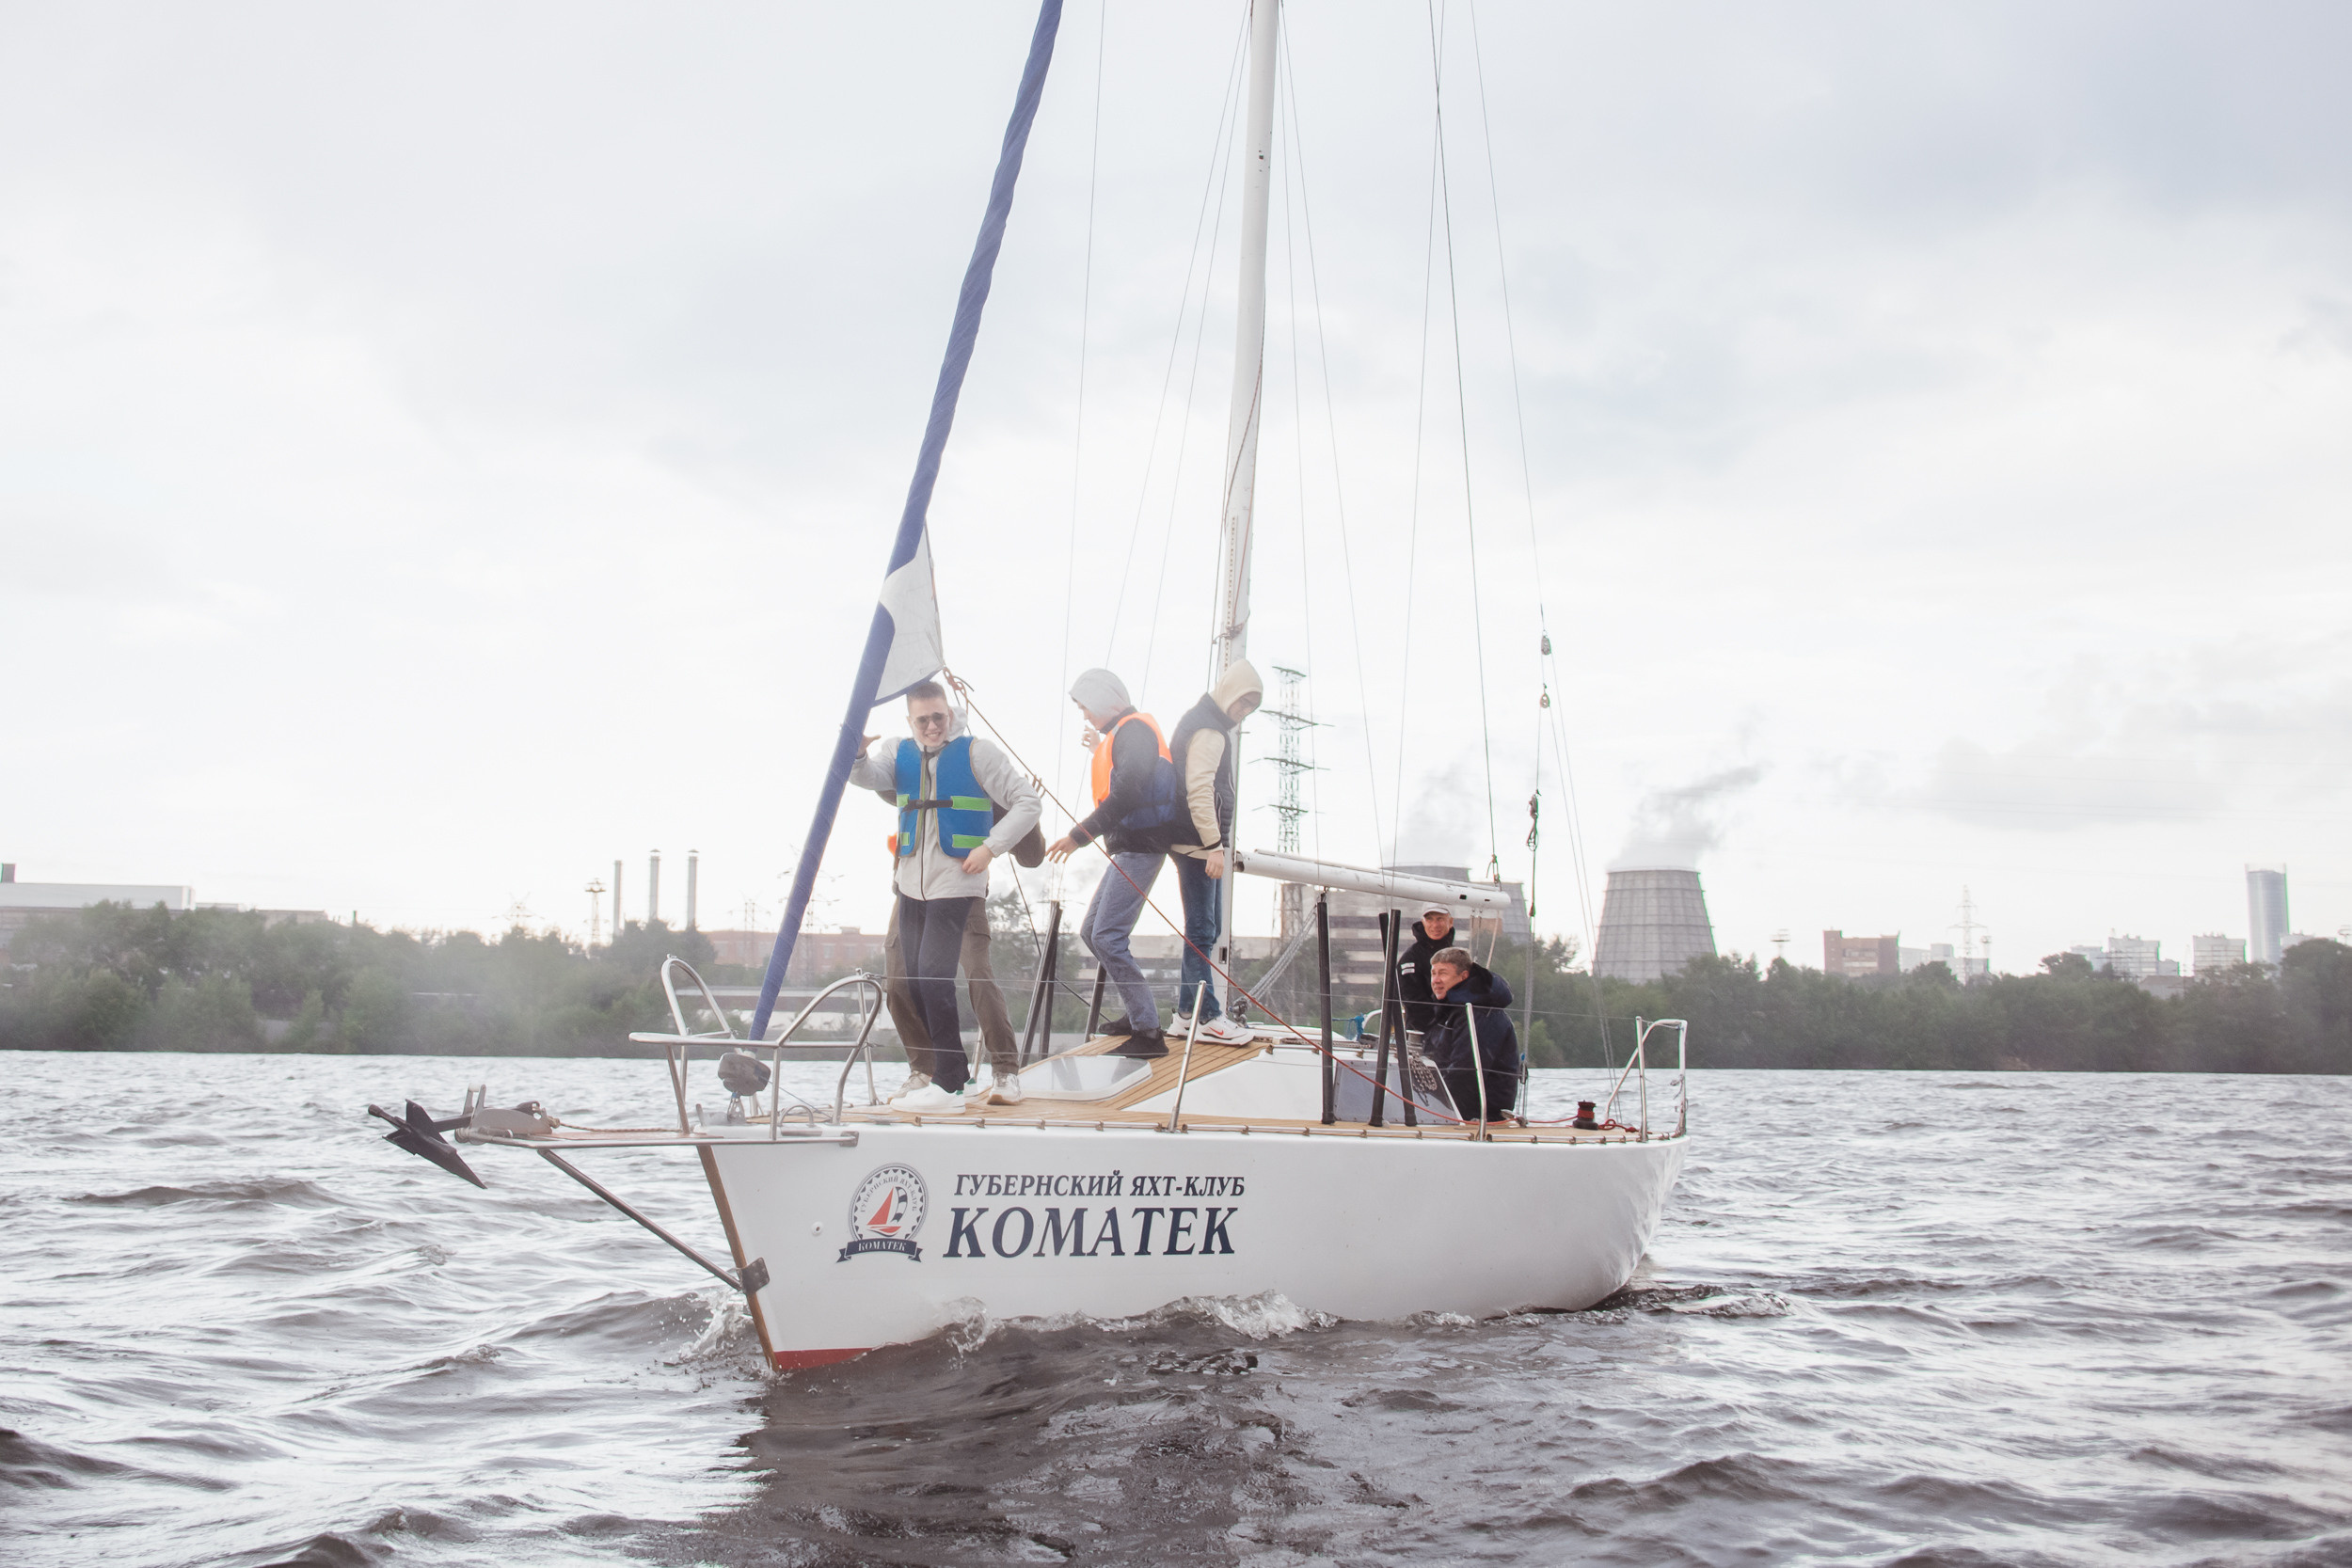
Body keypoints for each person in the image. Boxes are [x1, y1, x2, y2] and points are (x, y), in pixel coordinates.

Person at [850, 679, 1041, 1114]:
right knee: (913, 978)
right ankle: (952, 1075)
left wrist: (989, 847)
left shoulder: (978, 753)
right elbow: (863, 777)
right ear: (910, 721)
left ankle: (956, 1083)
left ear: (949, 714)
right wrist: (857, 752)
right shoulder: (899, 752)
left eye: (939, 716)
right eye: (923, 719)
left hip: (958, 881)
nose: (933, 726)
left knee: (938, 974)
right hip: (911, 883)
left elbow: (1028, 803)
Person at [1046, 668, 1184, 1058]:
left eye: (1085, 707)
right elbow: (1125, 772)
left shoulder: (1135, 732)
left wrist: (1078, 837)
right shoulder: (1126, 733)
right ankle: (1136, 1014)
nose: (1085, 716)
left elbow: (1127, 792)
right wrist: (1097, 748)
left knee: (1108, 936)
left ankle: (1148, 1033)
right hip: (1129, 847)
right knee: (1093, 932)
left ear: (1105, 700)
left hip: (1141, 847)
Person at [1166, 659, 1263, 1046]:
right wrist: (1213, 846)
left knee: (1203, 930)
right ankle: (1208, 1017)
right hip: (1197, 844)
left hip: (1193, 841)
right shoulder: (1210, 730)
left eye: (1250, 708)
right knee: (1203, 930)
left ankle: (1186, 1014)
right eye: (1242, 704)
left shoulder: (1203, 721)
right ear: (1228, 694)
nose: (1243, 713)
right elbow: (1199, 789)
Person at [1422, 945, 1521, 1127]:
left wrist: (1435, 1110)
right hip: (1450, 1109)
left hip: (1477, 1115)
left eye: (1443, 973)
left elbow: (1466, 1071)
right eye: (1433, 973)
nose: (1435, 980)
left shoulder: (1477, 1012)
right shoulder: (1451, 1010)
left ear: (1464, 976)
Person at [1392, 900, 1459, 1037]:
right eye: (1430, 919)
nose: (1435, 925)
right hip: (1422, 1035)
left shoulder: (1458, 957)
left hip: (1456, 1031)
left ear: (1450, 922)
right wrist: (1441, 1024)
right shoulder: (1410, 958)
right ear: (1423, 922)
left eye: (1440, 919)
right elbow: (1413, 1001)